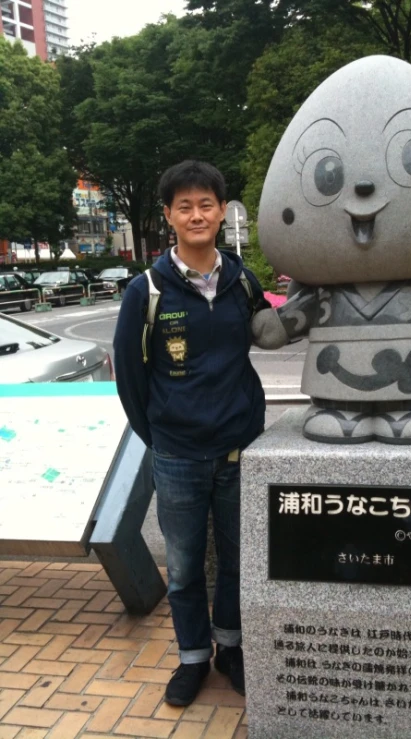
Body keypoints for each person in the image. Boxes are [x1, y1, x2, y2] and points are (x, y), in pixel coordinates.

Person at [113, 160, 269, 706]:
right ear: (169, 216)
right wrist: (161, 434)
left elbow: (265, 336)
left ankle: (231, 648)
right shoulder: (146, 289)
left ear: (222, 212)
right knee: (182, 569)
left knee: (235, 561)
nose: (197, 214)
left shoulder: (242, 280)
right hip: (177, 456)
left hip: (238, 449)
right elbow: (130, 377)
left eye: (207, 204)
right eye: (185, 206)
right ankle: (192, 659)